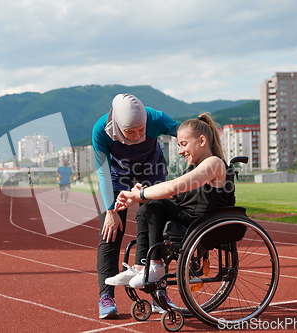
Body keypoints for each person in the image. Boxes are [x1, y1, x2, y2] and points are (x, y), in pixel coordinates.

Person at [109, 113, 231, 289]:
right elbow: (174, 195)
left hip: (202, 223)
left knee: (153, 202)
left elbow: (174, 187)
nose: (180, 151)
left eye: (183, 144)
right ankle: (140, 266)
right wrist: (139, 195)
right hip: (190, 219)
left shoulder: (213, 163)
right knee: (148, 205)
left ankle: (156, 265)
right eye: (179, 145)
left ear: (202, 141)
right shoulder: (194, 168)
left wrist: (141, 194)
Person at [92, 94, 179, 319]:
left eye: (142, 130)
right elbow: (102, 172)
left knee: (153, 227)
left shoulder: (155, 118)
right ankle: (106, 296)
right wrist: (111, 211)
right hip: (118, 180)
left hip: (152, 175)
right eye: (131, 132)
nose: (139, 136)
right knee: (110, 233)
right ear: (118, 126)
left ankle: (156, 292)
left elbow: (184, 131)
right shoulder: (101, 130)